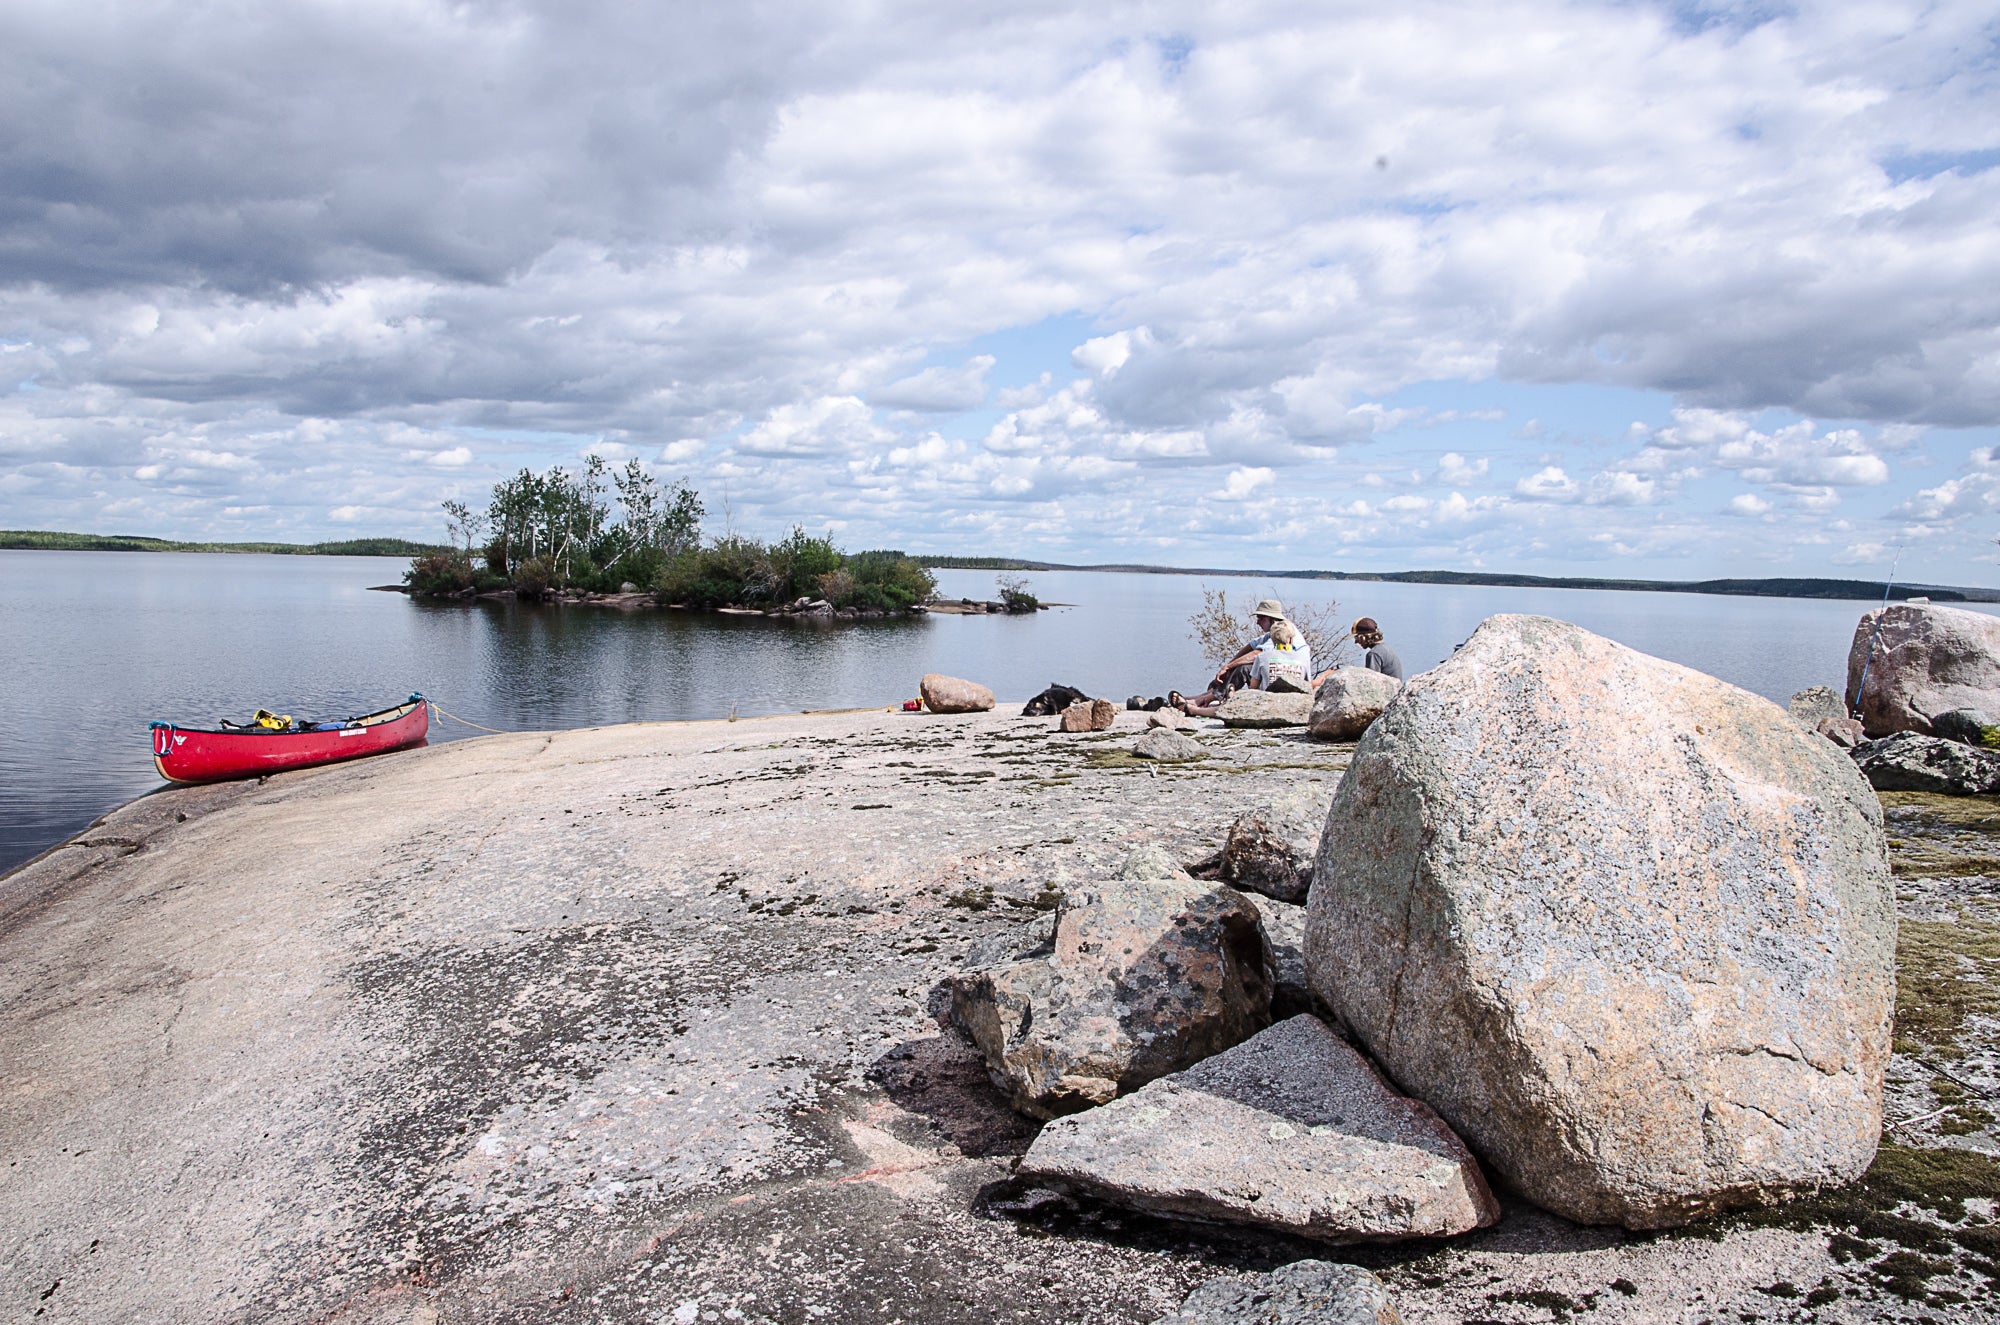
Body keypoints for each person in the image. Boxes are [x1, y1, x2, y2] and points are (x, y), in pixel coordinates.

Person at [1174, 598, 1291, 715]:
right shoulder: (1273, 632)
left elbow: (1257, 654)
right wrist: (1228, 667)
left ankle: (1201, 702)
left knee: (1244, 669)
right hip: (1276, 677)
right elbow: (1251, 646)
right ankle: (1201, 697)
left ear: (1272, 619)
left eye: (1261, 618)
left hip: (1279, 682)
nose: (1257, 622)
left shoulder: (1282, 632)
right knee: (1238, 666)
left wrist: (1229, 668)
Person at [1249, 620, 1314, 693]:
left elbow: (1253, 687)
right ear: (1290, 639)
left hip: (1269, 701)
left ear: (1273, 639)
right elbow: (1307, 686)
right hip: (1295, 701)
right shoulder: (1303, 659)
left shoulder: (1261, 657)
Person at [1352, 616, 1404, 681]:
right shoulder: (1385, 648)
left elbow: (1371, 681)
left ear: (1364, 637)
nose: (1356, 642)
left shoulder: (1373, 654)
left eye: (1357, 638)